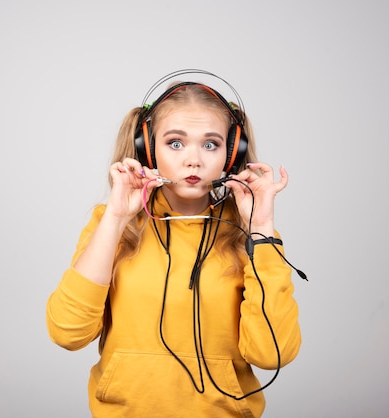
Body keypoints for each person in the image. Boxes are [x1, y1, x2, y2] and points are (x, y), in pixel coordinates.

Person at [46, 69, 303, 418]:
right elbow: (67, 332)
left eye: (210, 144)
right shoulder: (112, 224)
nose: (193, 159)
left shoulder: (251, 236)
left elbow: (273, 353)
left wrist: (260, 228)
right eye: (175, 143)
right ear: (147, 148)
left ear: (232, 152)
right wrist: (116, 218)